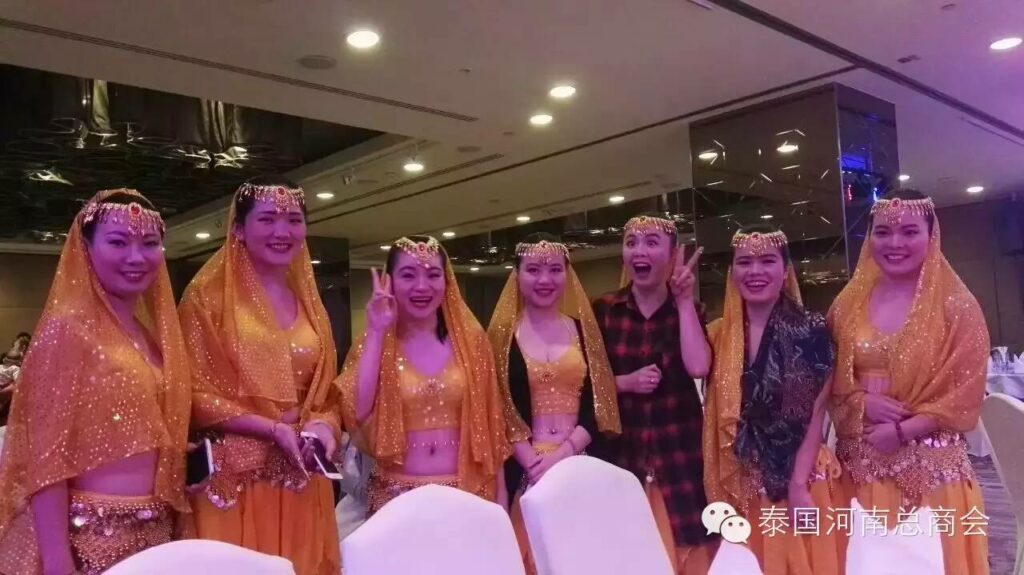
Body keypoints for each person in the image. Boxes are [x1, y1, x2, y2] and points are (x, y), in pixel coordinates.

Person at [0, 189, 191, 575]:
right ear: (85, 248)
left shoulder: (147, 334)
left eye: (149, 243)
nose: (136, 257)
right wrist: (58, 562)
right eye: (118, 242)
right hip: (87, 539)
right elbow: (45, 458)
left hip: (155, 535)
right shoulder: (68, 329)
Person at [179, 176, 341, 575]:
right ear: (238, 228)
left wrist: (324, 426)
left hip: (302, 478)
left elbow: (326, 396)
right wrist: (269, 428)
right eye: (267, 219)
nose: (282, 231)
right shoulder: (206, 299)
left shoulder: (310, 304)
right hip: (236, 480)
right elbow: (190, 393)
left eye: (293, 220)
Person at [829, 189, 989, 574]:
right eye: (883, 232)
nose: (895, 243)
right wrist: (860, 401)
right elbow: (826, 376)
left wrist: (904, 430)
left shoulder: (956, 305)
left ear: (931, 235)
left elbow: (965, 392)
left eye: (909, 231)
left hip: (931, 471)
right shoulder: (847, 305)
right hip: (859, 468)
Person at [338, 235, 509, 514]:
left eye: (433, 275)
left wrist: (501, 498)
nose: (422, 286)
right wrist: (377, 331)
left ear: (447, 281)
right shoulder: (374, 342)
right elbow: (357, 410)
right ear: (390, 281)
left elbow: (492, 422)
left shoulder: (472, 343)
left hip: (465, 494)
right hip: (396, 497)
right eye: (408, 275)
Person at [704, 226, 840, 575]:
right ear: (732, 271)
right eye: (744, 262)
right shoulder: (719, 334)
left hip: (801, 474)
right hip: (743, 477)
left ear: (785, 269)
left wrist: (798, 485)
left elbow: (815, 411)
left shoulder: (810, 329)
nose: (755, 271)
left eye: (767, 261)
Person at [591, 213, 717, 574]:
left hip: (678, 455)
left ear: (673, 255)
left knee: (687, 554)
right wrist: (624, 383)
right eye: (631, 243)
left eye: (651, 243)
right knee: (626, 554)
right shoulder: (605, 311)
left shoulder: (689, 310)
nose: (639, 251)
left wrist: (683, 302)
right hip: (622, 456)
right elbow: (587, 384)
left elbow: (699, 366)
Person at [487, 233, 621, 572]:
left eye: (555, 269)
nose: (545, 279)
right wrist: (532, 462)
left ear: (567, 273)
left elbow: (599, 399)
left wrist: (563, 455)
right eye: (533, 270)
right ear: (517, 274)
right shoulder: (501, 338)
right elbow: (496, 403)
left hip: (579, 461)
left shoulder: (584, 331)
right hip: (526, 468)